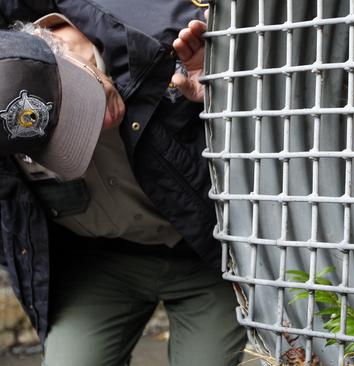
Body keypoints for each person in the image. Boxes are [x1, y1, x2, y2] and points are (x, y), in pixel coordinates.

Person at [0, 3, 246, 365]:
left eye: (79, 109)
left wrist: (224, 96)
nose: (94, 125)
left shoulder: (168, 50)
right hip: (99, 265)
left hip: (207, 260)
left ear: (71, 53)